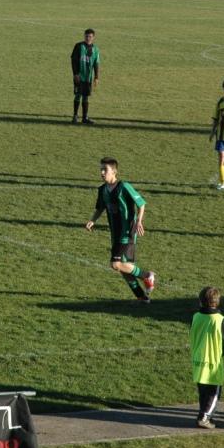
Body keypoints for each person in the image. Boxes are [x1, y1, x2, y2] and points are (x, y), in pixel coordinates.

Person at [85, 157, 156, 302]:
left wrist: (139, 221)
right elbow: (100, 208)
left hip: (127, 231)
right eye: (101, 169)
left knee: (115, 264)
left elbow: (141, 204)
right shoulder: (103, 190)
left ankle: (147, 275)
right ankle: (142, 297)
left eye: (105, 169)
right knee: (124, 268)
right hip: (115, 233)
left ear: (114, 172)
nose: (102, 172)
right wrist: (93, 220)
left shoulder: (124, 186)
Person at [191, 286, 224, 429]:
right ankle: (204, 417)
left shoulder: (196, 316)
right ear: (217, 302)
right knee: (214, 392)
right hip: (213, 361)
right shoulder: (219, 319)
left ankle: (203, 413)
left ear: (201, 301)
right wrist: (220, 354)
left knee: (203, 391)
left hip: (197, 359)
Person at [71, 28, 100, 124]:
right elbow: (74, 61)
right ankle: (75, 116)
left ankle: (84, 117)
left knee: (86, 96)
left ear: (93, 37)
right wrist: (75, 74)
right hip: (79, 76)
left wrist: (96, 77)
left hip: (88, 78)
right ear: (84, 36)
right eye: (86, 36)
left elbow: (96, 64)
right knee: (78, 95)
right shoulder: (78, 46)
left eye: (90, 36)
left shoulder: (96, 49)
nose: (88, 38)